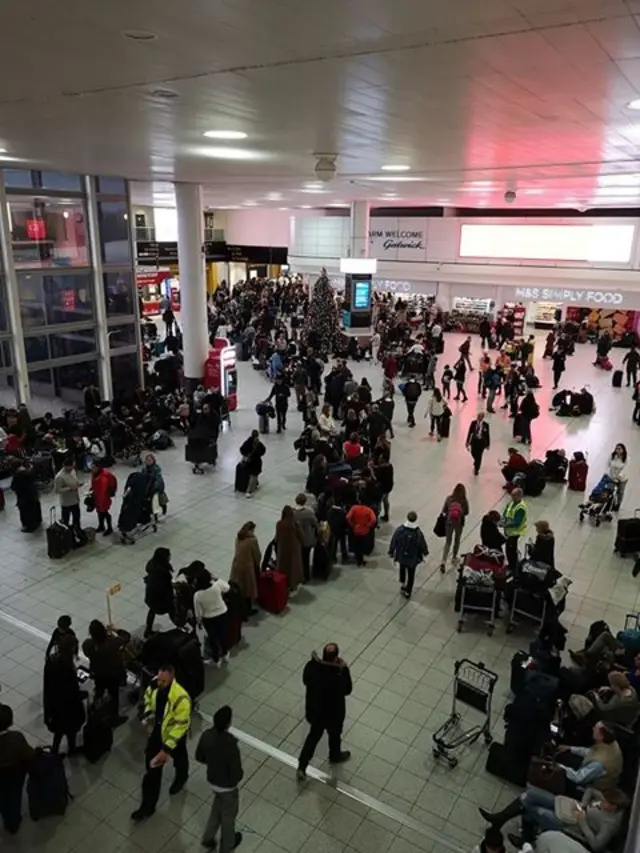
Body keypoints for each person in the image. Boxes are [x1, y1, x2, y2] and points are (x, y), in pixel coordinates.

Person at [131, 664, 192, 822]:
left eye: (164, 681)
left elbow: (181, 725)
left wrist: (166, 748)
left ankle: (182, 776)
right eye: (159, 679)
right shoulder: (154, 684)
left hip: (173, 738)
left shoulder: (181, 698)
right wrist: (146, 714)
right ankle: (148, 807)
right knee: (152, 772)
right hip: (156, 735)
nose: (160, 683)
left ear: (172, 677)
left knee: (180, 757)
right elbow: (148, 699)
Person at [483, 786, 627, 850]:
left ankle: (519, 835)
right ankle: (502, 822)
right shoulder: (608, 800)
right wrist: (583, 805)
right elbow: (590, 790)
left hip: (572, 826)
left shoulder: (610, 824)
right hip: (570, 807)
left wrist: (582, 820)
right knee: (531, 794)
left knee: (531, 808)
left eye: (606, 803)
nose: (603, 802)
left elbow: (596, 845)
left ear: (614, 807)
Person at [296, 643, 352, 781]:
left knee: (313, 737)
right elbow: (347, 690)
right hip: (334, 713)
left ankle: (302, 767)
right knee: (335, 735)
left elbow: (305, 680)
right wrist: (344, 668)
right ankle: (335, 755)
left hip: (317, 712)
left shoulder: (312, 667)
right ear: (336, 656)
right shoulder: (339, 672)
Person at [196, 705, 244, 852]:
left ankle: (208, 838)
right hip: (227, 787)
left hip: (213, 780)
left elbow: (199, 756)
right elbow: (236, 773)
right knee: (228, 818)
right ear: (228, 724)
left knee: (217, 810)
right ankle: (227, 846)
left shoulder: (206, 736)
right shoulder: (230, 745)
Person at [43, 635, 86, 755]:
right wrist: (81, 694)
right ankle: (72, 749)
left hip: (54, 704)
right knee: (70, 728)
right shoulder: (66, 666)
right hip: (68, 706)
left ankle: (55, 752)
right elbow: (70, 690)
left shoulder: (52, 660)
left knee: (59, 730)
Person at [82, 619, 127, 726]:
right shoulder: (111, 643)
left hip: (98, 674)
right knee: (113, 695)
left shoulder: (88, 645)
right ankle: (113, 717)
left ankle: (94, 710)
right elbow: (126, 637)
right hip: (112, 674)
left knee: (99, 691)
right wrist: (114, 630)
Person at [0, 703, 35, 834]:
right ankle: (13, 823)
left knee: (2, 797)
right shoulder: (16, 738)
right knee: (14, 797)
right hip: (14, 776)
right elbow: (28, 755)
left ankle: (5, 816)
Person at [388, 511, 429, 598]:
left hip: (402, 556)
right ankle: (408, 591)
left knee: (402, 569)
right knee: (411, 574)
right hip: (412, 558)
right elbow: (422, 543)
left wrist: (391, 551)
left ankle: (402, 584)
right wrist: (425, 552)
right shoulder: (417, 532)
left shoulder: (400, 530)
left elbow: (394, 540)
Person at [230, 522, 261, 616]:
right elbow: (257, 555)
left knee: (239, 587)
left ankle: (239, 607)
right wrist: (257, 564)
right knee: (248, 588)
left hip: (236, 565)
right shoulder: (252, 540)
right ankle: (247, 610)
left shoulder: (239, 537)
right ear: (251, 530)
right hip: (247, 568)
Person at [144, 547, 175, 636]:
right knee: (172, 610)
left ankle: (148, 630)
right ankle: (181, 627)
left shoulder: (152, 564)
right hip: (161, 597)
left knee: (152, 610)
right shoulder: (162, 571)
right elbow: (165, 586)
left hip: (151, 595)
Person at [439, 483, 470, 573]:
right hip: (459, 524)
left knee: (448, 542)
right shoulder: (464, 501)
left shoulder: (449, 498)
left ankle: (443, 561)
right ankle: (454, 558)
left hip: (449, 522)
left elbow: (444, 510)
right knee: (457, 540)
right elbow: (467, 512)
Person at [275, 505, 304, 591]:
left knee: (283, 566)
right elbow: (301, 536)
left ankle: (283, 583)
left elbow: (277, 537)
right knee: (293, 567)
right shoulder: (294, 524)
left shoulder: (279, 524)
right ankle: (292, 584)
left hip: (282, 549)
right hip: (293, 550)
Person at [10, 460, 42, 532]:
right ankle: (38, 521)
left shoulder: (17, 475)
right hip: (33, 493)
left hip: (24, 497)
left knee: (26, 512)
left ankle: (29, 527)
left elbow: (13, 487)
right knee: (35, 507)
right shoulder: (30, 471)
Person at [294, 493, 318, 583]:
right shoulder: (308, 513)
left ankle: (297, 576)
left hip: (296, 539)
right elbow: (315, 524)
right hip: (307, 538)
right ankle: (306, 576)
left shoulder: (292, 513)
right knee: (305, 558)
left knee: (297, 558)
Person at [502, 487, 527, 573]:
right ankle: (511, 564)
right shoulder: (511, 503)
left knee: (511, 550)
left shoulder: (521, 508)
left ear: (519, 496)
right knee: (508, 549)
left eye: (514, 496)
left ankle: (513, 566)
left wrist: (505, 524)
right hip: (508, 531)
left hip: (515, 532)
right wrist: (503, 520)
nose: (511, 497)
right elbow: (506, 512)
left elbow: (517, 522)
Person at [90, 460, 117, 536]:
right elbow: (93, 483)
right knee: (99, 512)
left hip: (104, 498)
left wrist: (100, 501)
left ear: (98, 467)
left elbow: (103, 490)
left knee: (104, 512)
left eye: (94, 467)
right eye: (91, 467)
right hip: (97, 496)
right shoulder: (94, 473)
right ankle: (101, 526)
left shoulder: (103, 477)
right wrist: (91, 490)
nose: (92, 469)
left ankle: (110, 528)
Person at [54, 455, 82, 530]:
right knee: (66, 520)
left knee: (77, 517)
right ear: (66, 466)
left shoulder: (72, 471)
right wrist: (69, 488)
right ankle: (67, 535)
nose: (73, 468)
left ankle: (77, 530)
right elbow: (57, 490)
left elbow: (75, 479)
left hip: (75, 499)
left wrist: (78, 483)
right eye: (72, 466)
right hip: (66, 502)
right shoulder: (59, 477)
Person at [346, 500, 377, 566]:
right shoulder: (369, 510)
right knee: (362, 546)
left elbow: (348, 517)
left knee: (356, 545)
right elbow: (374, 520)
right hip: (364, 532)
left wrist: (352, 525)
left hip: (356, 530)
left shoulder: (354, 508)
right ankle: (361, 560)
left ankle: (358, 560)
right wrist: (368, 525)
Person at [239, 430, 266, 498]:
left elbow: (242, 449)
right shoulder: (258, 443)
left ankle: (254, 484)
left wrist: (246, 455)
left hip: (250, 462)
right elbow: (263, 450)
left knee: (253, 475)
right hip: (255, 462)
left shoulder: (248, 442)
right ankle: (248, 491)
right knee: (253, 476)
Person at [608, 443, 628, 508]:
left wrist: (619, 477)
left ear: (623, 450)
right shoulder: (612, 456)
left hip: (622, 479)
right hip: (612, 477)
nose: (617, 450)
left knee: (620, 492)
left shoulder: (626, 458)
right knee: (610, 490)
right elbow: (608, 465)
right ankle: (609, 503)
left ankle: (618, 505)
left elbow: (625, 469)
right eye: (616, 448)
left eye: (619, 449)